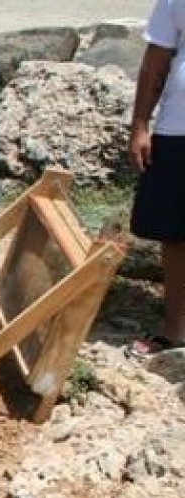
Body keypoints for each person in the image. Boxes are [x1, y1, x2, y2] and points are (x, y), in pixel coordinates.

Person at [128, 0, 185, 356]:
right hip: (179, 128)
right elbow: (156, 59)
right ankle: (175, 329)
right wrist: (140, 124)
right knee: (175, 232)